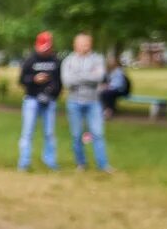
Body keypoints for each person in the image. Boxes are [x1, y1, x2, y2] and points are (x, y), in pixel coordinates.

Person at [61, 32, 112, 173]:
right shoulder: (68, 61)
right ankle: (81, 163)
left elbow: (99, 77)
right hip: (74, 103)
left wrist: (78, 76)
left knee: (98, 133)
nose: (85, 46)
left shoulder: (97, 59)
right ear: (75, 45)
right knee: (76, 135)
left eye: (87, 43)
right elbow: (67, 82)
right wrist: (89, 76)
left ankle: (103, 165)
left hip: (93, 103)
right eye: (82, 43)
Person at [17, 32, 62, 171]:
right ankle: (24, 162)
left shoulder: (56, 61)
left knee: (49, 133)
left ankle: (50, 161)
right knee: (27, 132)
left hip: (50, 101)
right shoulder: (30, 60)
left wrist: (52, 92)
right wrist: (34, 79)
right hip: (31, 99)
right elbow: (21, 80)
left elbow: (60, 82)